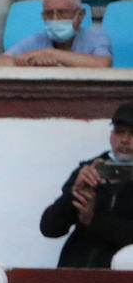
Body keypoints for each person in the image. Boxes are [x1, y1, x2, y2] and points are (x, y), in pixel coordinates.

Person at [39, 101, 133, 268]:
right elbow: (50, 228)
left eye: (132, 134)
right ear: (111, 135)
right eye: (119, 132)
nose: (125, 140)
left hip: (120, 282)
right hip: (75, 275)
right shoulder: (90, 169)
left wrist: (93, 220)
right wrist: (73, 194)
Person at [0, 0, 111, 69]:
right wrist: (33, 62)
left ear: (80, 15)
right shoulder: (36, 40)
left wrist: (51, 54)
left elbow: (102, 64)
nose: (55, 19)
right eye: (49, 13)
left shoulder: (96, 39)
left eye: (63, 12)